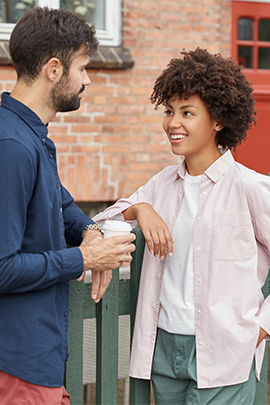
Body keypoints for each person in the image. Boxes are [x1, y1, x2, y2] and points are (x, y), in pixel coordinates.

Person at [93, 48, 270, 404]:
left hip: (225, 352)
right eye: (170, 111)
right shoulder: (160, 185)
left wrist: (262, 328)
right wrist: (140, 208)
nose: (173, 123)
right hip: (164, 348)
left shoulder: (250, 188)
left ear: (218, 120)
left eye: (187, 112)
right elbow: (101, 222)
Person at [0, 7, 136, 405]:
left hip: (35, 359)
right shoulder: (12, 147)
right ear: (54, 69)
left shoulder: (29, 134)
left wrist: (89, 231)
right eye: (83, 67)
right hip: (17, 366)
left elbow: (62, 203)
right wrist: (81, 259)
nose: (88, 79)